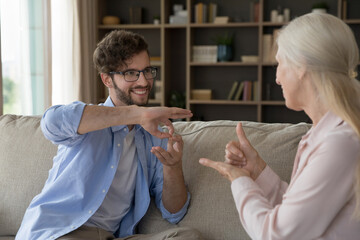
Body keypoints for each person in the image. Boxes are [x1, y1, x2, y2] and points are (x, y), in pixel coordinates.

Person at [16, 30, 203, 240]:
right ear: (106, 79)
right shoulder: (88, 121)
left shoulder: (153, 137)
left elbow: (174, 212)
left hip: (111, 236)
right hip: (60, 232)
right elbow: (51, 122)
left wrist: (173, 168)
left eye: (147, 71)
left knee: (189, 237)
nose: (144, 81)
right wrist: (138, 114)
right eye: (131, 73)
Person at [200, 13, 360, 239]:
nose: (276, 78)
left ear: (301, 66)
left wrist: (240, 180)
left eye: (279, 63)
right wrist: (256, 170)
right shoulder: (327, 134)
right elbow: (299, 215)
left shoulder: (340, 143)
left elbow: (276, 235)